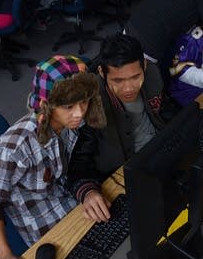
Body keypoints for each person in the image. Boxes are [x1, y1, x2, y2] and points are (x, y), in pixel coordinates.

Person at [0, 55, 108, 259]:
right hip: (46, 231)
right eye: (68, 106)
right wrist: (4, 254)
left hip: (72, 209)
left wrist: (87, 191)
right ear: (47, 105)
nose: (79, 113)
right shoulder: (15, 147)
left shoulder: (71, 124)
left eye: (84, 102)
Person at [70, 34, 178, 184]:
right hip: (126, 171)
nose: (128, 88)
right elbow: (79, 160)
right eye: (118, 80)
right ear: (102, 73)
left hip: (162, 151)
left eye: (135, 77)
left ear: (144, 66)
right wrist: (87, 190)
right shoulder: (90, 102)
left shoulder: (152, 74)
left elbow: (166, 110)